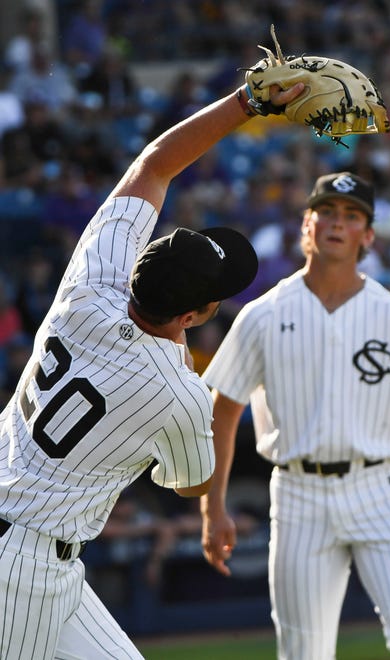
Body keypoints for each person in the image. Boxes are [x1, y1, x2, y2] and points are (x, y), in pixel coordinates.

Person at [0, 71, 303, 658]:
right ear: (195, 314)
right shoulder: (177, 392)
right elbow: (190, 483)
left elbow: (154, 165)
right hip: (22, 566)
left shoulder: (89, 286)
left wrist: (246, 101)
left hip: (40, 549)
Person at [200, 171, 390, 660]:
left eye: (351, 216)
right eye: (326, 211)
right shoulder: (262, 313)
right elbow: (223, 412)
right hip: (299, 494)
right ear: (307, 224)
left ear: (367, 235)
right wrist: (212, 505)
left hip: (384, 491)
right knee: (303, 653)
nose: (336, 222)